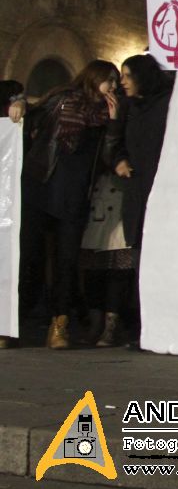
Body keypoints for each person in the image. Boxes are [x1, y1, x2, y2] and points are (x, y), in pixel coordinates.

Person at [18, 60, 118, 349]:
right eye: (108, 79)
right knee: (29, 256)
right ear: (93, 77)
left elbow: (108, 155)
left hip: (75, 194)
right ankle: (13, 321)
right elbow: (29, 114)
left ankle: (59, 323)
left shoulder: (108, 114)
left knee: (66, 260)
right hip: (42, 185)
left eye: (115, 80)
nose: (112, 86)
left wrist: (113, 121)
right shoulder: (62, 99)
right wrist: (17, 102)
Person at [94, 54, 173, 347]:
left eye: (127, 75)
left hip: (163, 192)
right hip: (137, 194)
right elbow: (115, 148)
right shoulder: (128, 108)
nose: (122, 81)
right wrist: (120, 160)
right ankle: (144, 329)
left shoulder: (168, 104)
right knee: (141, 262)